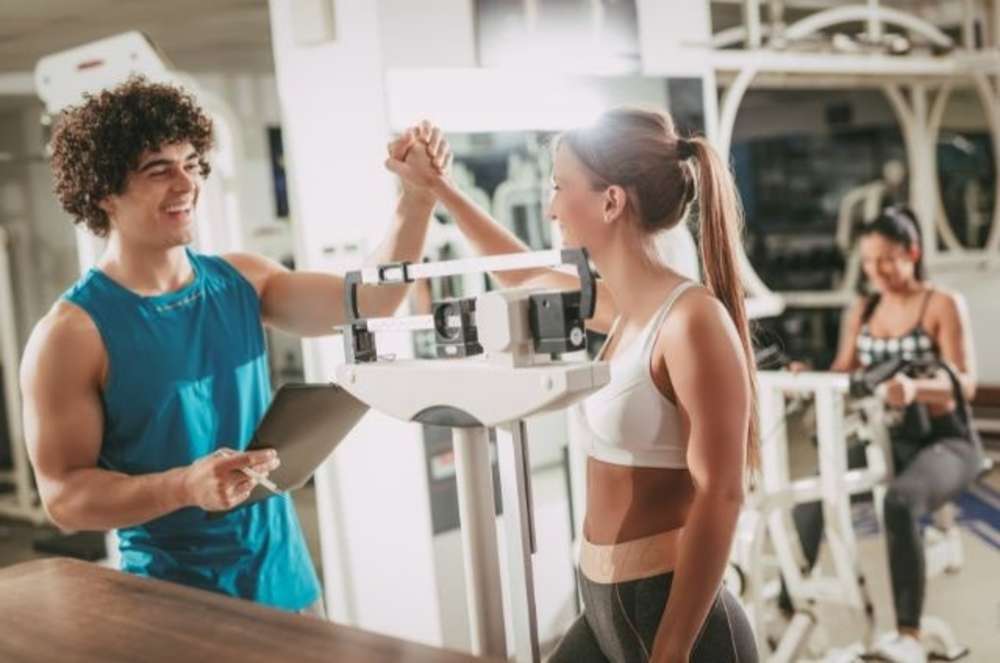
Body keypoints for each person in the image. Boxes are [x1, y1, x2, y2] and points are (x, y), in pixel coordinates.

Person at [20, 76, 434, 614]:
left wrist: (417, 200)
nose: (186, 183)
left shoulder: (242, 281)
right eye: (158, 169)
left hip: (289, 585)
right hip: (176, 604)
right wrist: (183, 487)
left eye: (191, 163)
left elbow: (371, 302)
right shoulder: (71, 335)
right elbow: (64, 498)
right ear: (104, 191)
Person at [388, 110, 760, 662]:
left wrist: (673, 647)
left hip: (672, 619)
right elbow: (523, 273)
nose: (551, 206)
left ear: (611, 202)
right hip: (603, 605)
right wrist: (437, 187)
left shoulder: (691, 322)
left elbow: (722, 491)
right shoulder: (627, 308)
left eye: (560, 187)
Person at [782, 206, 981, 663]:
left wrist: (914, 388)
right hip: (883, 438)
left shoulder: (941, 304)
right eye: (870, 262)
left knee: (899, 502)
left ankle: (908, 636)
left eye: (887, 259)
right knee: (809, 495)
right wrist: (805, 376)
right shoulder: (864, 308)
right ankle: (792, 608)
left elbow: (964, 382)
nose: (877, 271)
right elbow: (843, 372)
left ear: (912, 253)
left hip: (945, 440)